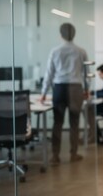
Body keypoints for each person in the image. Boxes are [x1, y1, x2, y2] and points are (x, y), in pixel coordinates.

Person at [40, 23, 88, 165]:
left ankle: (55, 156)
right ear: (74, 34)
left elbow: (49, 73)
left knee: (57, 123)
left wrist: (43, 92)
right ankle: (73, 154)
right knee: (74, 123)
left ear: (61, 35)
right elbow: (86, 74)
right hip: (75, 88)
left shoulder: (55, 51)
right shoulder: (81, 51)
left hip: (59, 89)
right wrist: (86, 89)